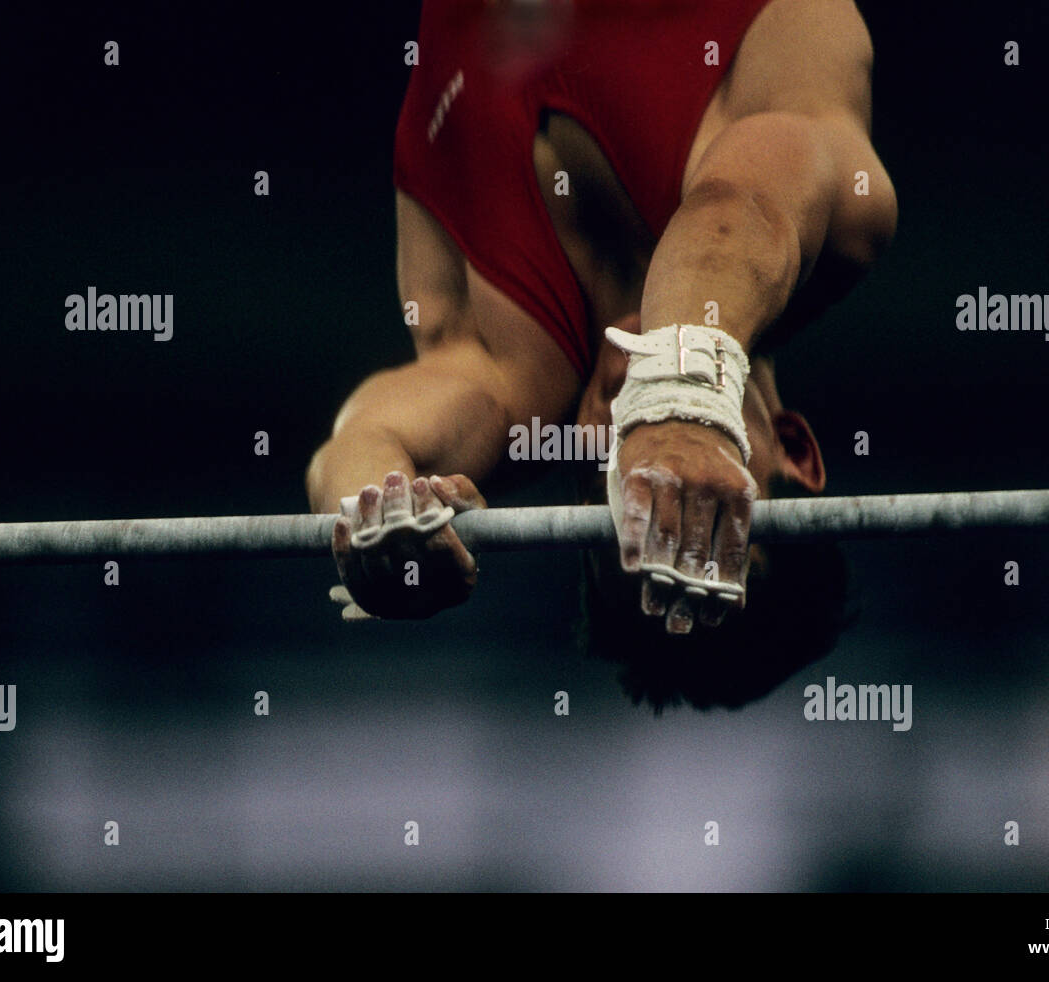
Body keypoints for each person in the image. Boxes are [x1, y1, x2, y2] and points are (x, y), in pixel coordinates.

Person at [305, 0, 896, 682]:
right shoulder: (843, 223)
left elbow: (359, 446)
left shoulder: (509, 372)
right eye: (701, 502)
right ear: (793, 448)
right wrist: (680, 404)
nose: (638, 464)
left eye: (622, 504)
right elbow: (739, 209)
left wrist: (377, 526)